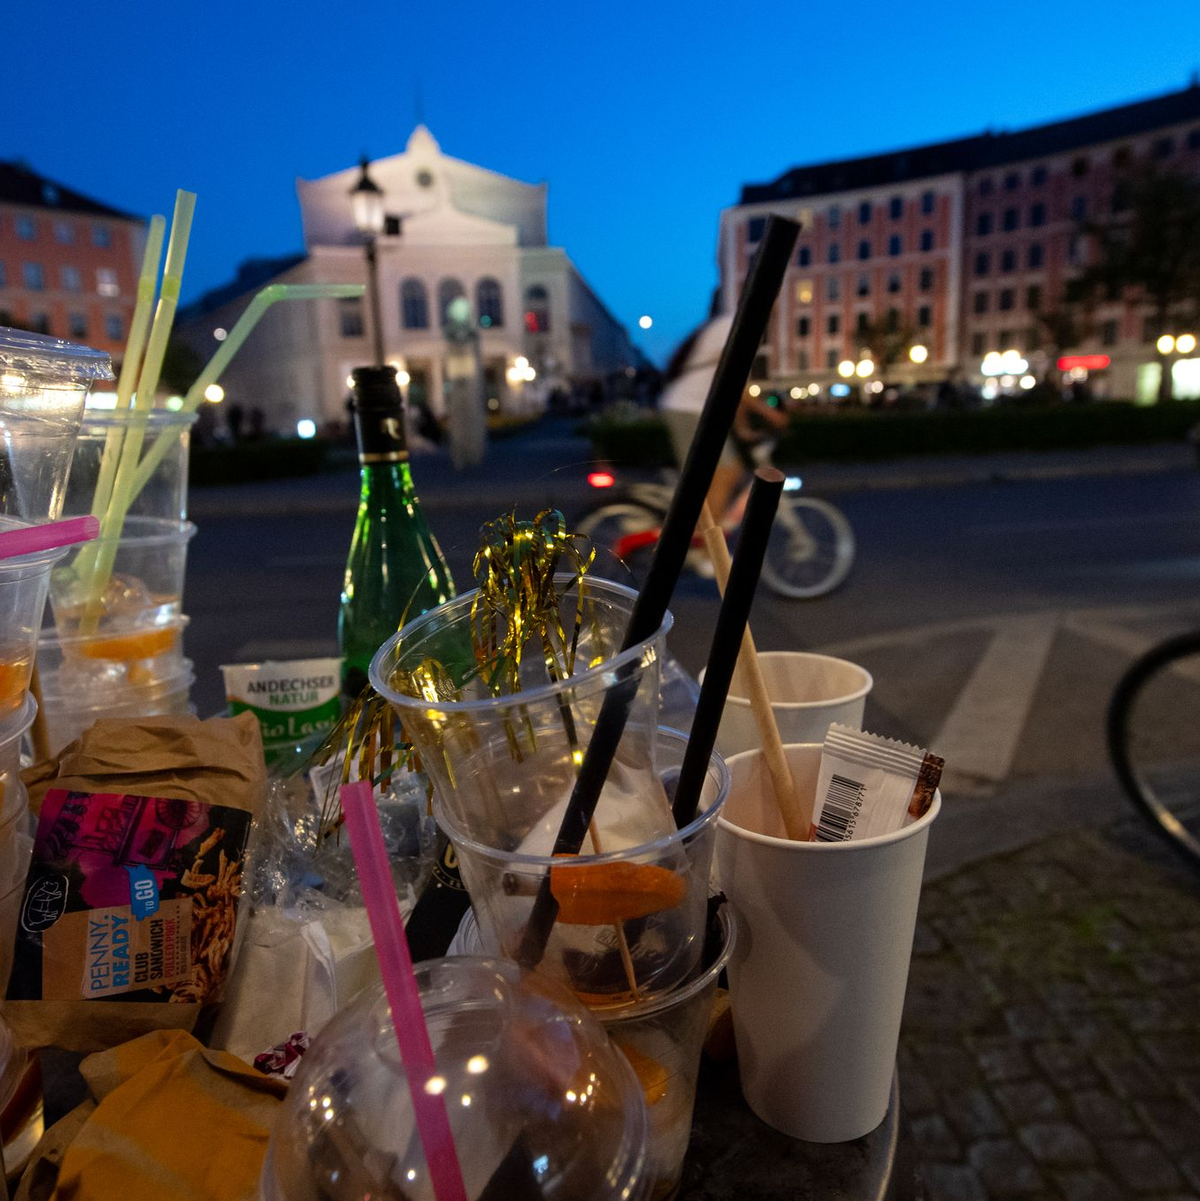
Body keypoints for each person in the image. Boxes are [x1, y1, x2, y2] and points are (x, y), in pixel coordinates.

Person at [659, 315, 789, 532]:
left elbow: (731, 392)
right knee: (724, 472)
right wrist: (770, 414)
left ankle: (703, 532)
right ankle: (704, 542)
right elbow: (732, 378)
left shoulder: (734, 325)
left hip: (695, 409)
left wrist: (743, 429)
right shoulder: (733, 325)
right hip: (689, 407)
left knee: (730, 471)